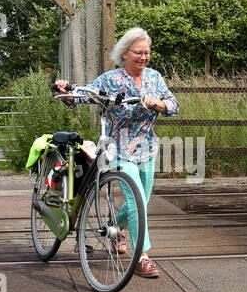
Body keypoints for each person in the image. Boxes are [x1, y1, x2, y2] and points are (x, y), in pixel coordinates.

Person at [55, 27, 178, 278]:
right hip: (119, 148)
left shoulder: (155, 78)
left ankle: (116, 227)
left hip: (147, 148)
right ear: (125, 54)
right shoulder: (111, 79)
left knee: (142, 200)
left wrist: (158, 104)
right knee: (136, 203)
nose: (143, 57)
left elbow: (173, 105)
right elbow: (83, 96)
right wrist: (67, 93)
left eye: (147, 53)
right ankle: (142, 257)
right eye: (138, 53)